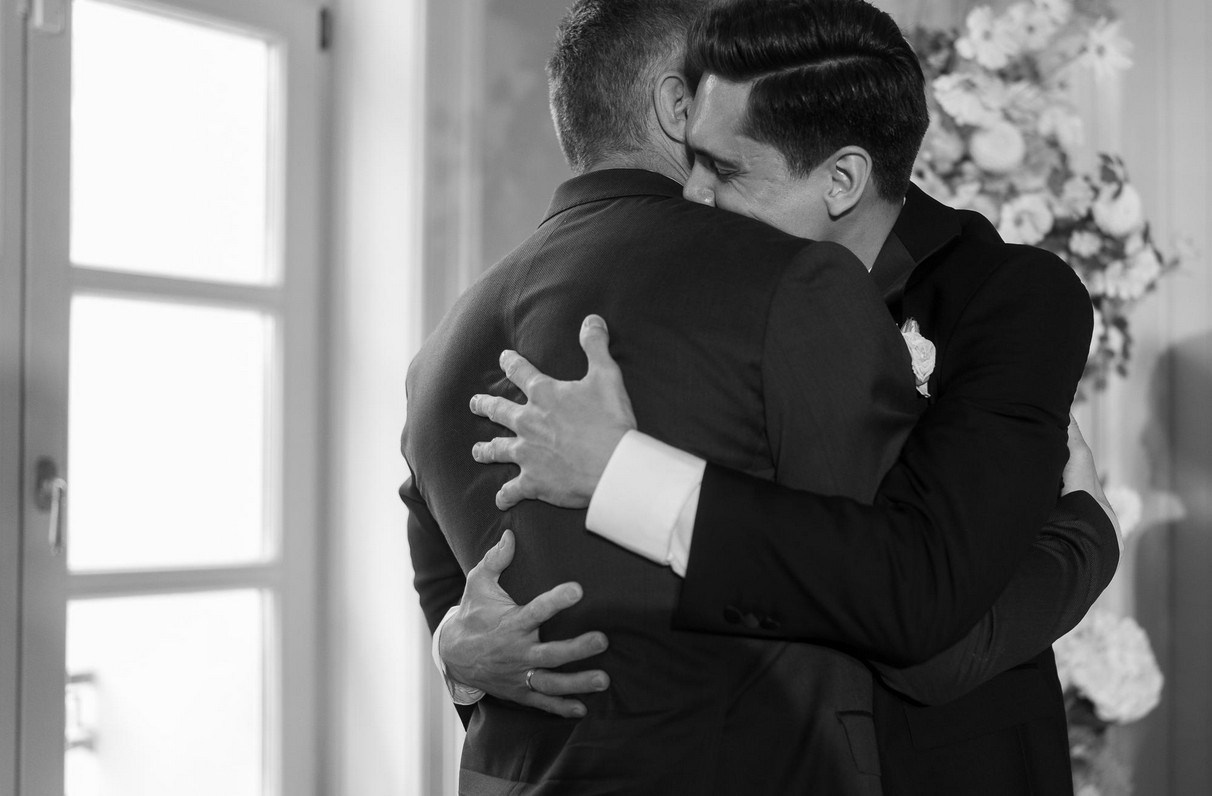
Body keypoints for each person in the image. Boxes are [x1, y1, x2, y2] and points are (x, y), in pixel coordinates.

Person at [449, 1, 1122, 793]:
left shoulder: (1009, 300)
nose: (690, 194)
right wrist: (460, 653)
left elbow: (926, 613)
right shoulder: (685, 291)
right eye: (692, 155)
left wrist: (1089, 539)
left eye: (726, 170)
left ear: (842, 179)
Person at [401, 0, 930, 791]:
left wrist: (457, 660)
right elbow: (901, 585)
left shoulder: (440, 348)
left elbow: (452, 599)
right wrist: (1082, 537)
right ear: (680, 105)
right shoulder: (795, 281)